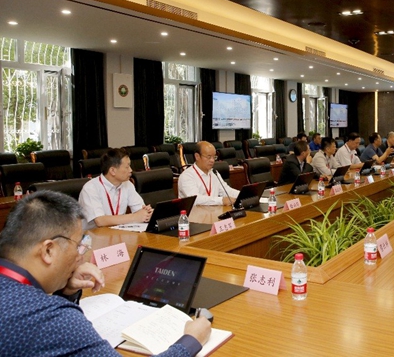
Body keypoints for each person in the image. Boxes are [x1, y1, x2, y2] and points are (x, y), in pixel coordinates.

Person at [0, 190, 212, 357]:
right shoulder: (52, 319)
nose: (81, 256)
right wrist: (190, 341)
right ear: (48, 251)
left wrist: (65, 291)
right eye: (79, 245)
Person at [78, 148, 153, 229]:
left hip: (118, 232)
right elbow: (100, 221)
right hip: (93, 235)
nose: (131, 170)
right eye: (127, 167)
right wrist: (135, 217)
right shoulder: (90, 188)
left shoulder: (127, 184)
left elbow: (140, 210)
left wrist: (147, 213)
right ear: (113, 171)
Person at [178, 141, 239, 206]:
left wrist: (242, 194)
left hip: (213, 211)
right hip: (195, 212)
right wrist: (221, 201)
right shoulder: (187, 176)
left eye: (214, 157)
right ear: (197, 156)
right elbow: (195, 199)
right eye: (209, 157)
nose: (212, 160)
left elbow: (226, 191)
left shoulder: (214, 173)